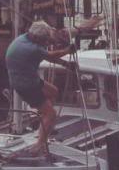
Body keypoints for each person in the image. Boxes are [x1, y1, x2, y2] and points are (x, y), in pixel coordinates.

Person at [5, 21, 73, 154]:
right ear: (37, 38)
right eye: (44, 40)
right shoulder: (33, 48)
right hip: (26, 85)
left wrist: (65, 64)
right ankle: (40, 144)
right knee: (51, 113)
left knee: (53, 92)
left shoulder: (23, 39)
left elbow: (46, 56)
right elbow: (51, 56)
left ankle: (45, 123)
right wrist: (68, 50)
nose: (46, 42)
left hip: (27, 78)